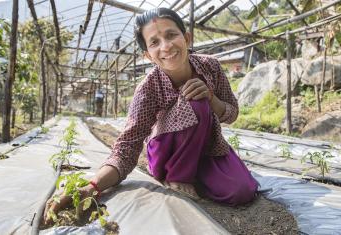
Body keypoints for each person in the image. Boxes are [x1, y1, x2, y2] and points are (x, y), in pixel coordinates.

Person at [44, 8, 258, 223]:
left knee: (242, 191)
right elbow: (127, 147)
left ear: (186, 38)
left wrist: (212, 98)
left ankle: (198, 173)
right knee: (195, 102)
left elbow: (232, 113)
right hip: (169, 154)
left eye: (171, 35)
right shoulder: (148, 88)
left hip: (207, 145)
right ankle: (178, 176)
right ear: (147, 55)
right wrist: (91, 187)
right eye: (154, 42)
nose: (166, 46)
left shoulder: (210, 66)